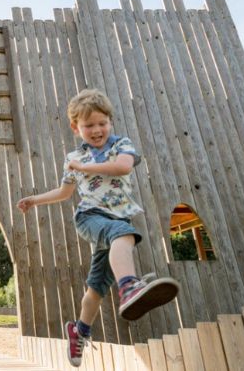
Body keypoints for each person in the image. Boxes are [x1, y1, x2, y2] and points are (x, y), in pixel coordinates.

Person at [16, 89, 179, 367]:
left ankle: (79, 331)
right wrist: (35, 199)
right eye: (88, 125)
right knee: (123, 235)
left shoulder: (121, 145)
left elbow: (123, 168)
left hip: (117, 219)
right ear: (76, 128)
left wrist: (86, 168)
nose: (96, 130)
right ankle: (128, 286)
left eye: (102, 123)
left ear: (110, 122)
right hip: (90, 216)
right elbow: (64, 193)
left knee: (96, 288)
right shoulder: (73, 158)